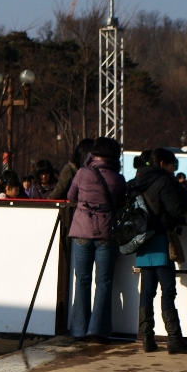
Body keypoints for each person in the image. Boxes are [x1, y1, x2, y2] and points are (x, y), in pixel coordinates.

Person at [129, 147, 187, 354]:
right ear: (162, 164)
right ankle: (174, 340)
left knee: (147, 291)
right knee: (168, 290)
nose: (174, 168)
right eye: (172, 164)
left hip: (142, 241)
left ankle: (147, 339)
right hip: (160, 240)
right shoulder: (165, 181)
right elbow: (178, 208)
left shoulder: (136, 181)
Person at [66, 137, 127, 343]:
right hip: (106, 234)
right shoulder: (118, 179)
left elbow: (70, 197)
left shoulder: (82, 173)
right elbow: (120, 203)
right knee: (103, 282)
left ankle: (78, 330)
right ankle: (98, 331)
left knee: (82, 280)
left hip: (82, 232)